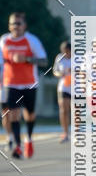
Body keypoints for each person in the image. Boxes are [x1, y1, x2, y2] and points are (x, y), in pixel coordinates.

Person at [0, 12, 47, 159]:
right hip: (11, 83)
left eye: (18, 23)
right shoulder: (4, 41)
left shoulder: (31, 40)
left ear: (24, 26)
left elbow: (44, 61)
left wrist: (26, 59)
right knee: (13, 114)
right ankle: (18, 146)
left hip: (29, 83)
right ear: (9, 25)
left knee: (30, 114)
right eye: (13, 23)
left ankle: (29, 139)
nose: (16, 26)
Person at [52, 40, 72, 143]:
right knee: (64, 110)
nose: (65, 53)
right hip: (63, 87)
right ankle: (65, 133)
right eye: (63, 51)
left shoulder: (78, 58)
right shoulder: (59, 58)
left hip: (76, 87)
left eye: (67, 51)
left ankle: (77, 133)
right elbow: (55, 71)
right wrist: (60, 74)